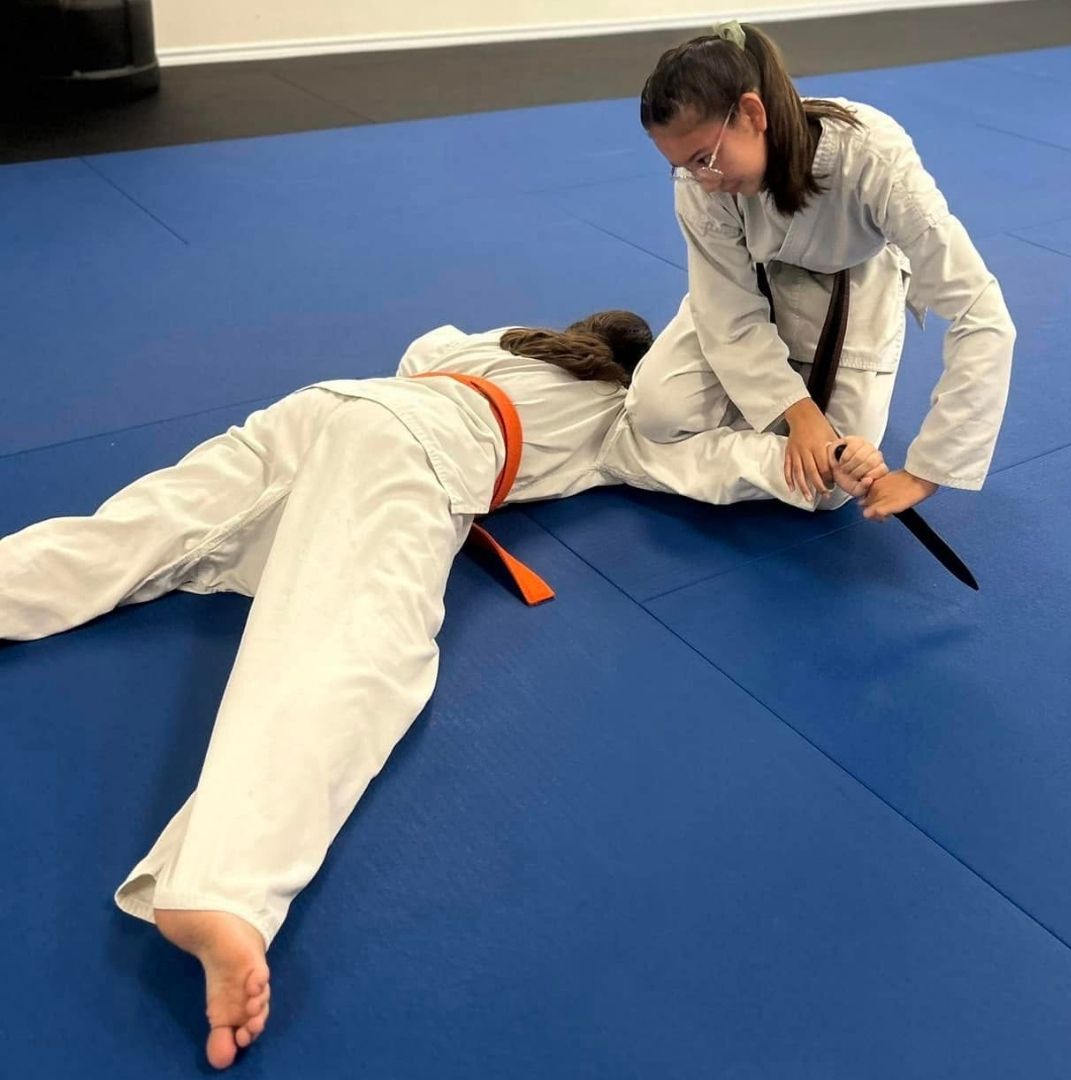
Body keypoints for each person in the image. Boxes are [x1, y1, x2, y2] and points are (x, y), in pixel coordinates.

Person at [0, 311, 884, 1069]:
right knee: (358, 644)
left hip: (326, 406)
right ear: (636, 372)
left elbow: (421, 349)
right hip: (412, 451)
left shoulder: (494, 340)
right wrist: (819, 466)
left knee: (136, 531)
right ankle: (223, 887)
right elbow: (722, 461)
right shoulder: (624, 418)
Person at [628, 20, 1015, 520]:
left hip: (857, 281)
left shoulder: (872, 156)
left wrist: (927, 471)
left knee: (827, 490)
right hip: (757, 280)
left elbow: (979, 313)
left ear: (751, 112)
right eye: (684, 166)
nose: (701, 182)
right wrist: (798, 411)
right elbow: (725, 309)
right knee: (654, 414)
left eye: (706, 159)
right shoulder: (702, 183)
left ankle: (664, 456)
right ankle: (663, 451)